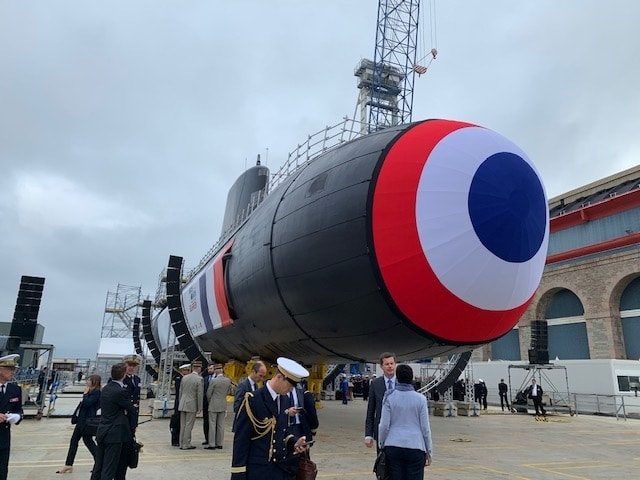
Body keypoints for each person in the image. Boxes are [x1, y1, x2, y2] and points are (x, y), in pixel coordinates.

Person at [231, 357, 311, 479]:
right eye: (290, 384)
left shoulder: (285, 399)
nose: (291, 389)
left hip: (280, 469)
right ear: (279, 377)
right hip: (259, 471)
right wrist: (238, 475)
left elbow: (283, 430)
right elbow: (241, 441)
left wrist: (294, 442)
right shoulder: (253, 400)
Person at [378, 364, 433, 479]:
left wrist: (382, 444)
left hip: (393, 445)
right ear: (412, 378)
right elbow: (425, 429)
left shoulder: (389, 397)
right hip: (415, 446)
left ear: (397, 378)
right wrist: (429, 451)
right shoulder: (421, 399)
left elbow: (384, 425)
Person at [90, 363, 137, 480]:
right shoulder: (120, 391)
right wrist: (128, 408)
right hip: (115, 434)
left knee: (99, 466)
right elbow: (131, 408)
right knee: (109, 468)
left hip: (103, 430)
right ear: (124, 375)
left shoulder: (106, 388)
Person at [57, 374, 102, 474]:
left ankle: (99, 462)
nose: (87, 381)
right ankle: (69, 464)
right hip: (81, 420)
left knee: (87, 441)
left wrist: (85, 394)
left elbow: (87, 403)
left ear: (94, 381)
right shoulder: (91, 391)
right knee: (75, 441)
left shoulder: (97, 393)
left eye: (89, 380)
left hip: (87, 422)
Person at [364, 352, 396, 449]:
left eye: (392, 363)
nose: (390, 366)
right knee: (382, 462)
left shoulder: (404, 382)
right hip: (381, 432)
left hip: (399, 431)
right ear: (381, 366)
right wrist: (368, 434)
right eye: (387, 364)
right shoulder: (375, 384)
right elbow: (370, 411)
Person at [0, 354, 23, 480]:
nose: (13, 372)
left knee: (2, 472)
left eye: (13, 369)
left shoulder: (15, 390)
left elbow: (19, 410)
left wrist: (17, 417)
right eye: (9, 369)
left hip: (3, 438)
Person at [232, 361, 267, 431]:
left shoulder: (256, 386)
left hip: (252, 426)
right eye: (260, 375)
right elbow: (236, 407)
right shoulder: (243, 386)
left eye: (263, 376)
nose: (262, 379)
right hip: (243, 425)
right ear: (253, 372)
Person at [178, 361, 203, 450]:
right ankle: (186, 444)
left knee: (183, 425)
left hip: (182, 403)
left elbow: (180, 392)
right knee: (189, 425)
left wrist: (180, 402)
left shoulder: (184, 378)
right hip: (191, 405)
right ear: (199, 368)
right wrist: (199, 407)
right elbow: (199, 394)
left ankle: (181, 443)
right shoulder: (199, 379)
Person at [205, 364, 231, 450]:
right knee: (221, 425)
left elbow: (209, 393)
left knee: (212, 424)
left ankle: (211, 444)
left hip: (213, 404)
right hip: (223, 404)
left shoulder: (214, 381)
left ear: (216, 371)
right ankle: (219, 443)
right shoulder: (228, 380)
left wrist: (210, 401)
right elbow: (228, 391)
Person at [122, 355, 142, 427]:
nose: (131, 368)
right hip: (123, 412)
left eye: (134, 366)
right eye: (129, 365)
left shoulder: (137, 379)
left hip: (133, 413)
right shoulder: (120, 378)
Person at [202, 362, 215, 446]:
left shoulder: (218, 379)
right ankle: (207, 438)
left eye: (211, 369)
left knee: (214, 422)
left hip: (214, 403)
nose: (209, 370)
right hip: (206, 403)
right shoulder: (205, 379)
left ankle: (213, 439)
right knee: (206, 421)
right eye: (208, 369)